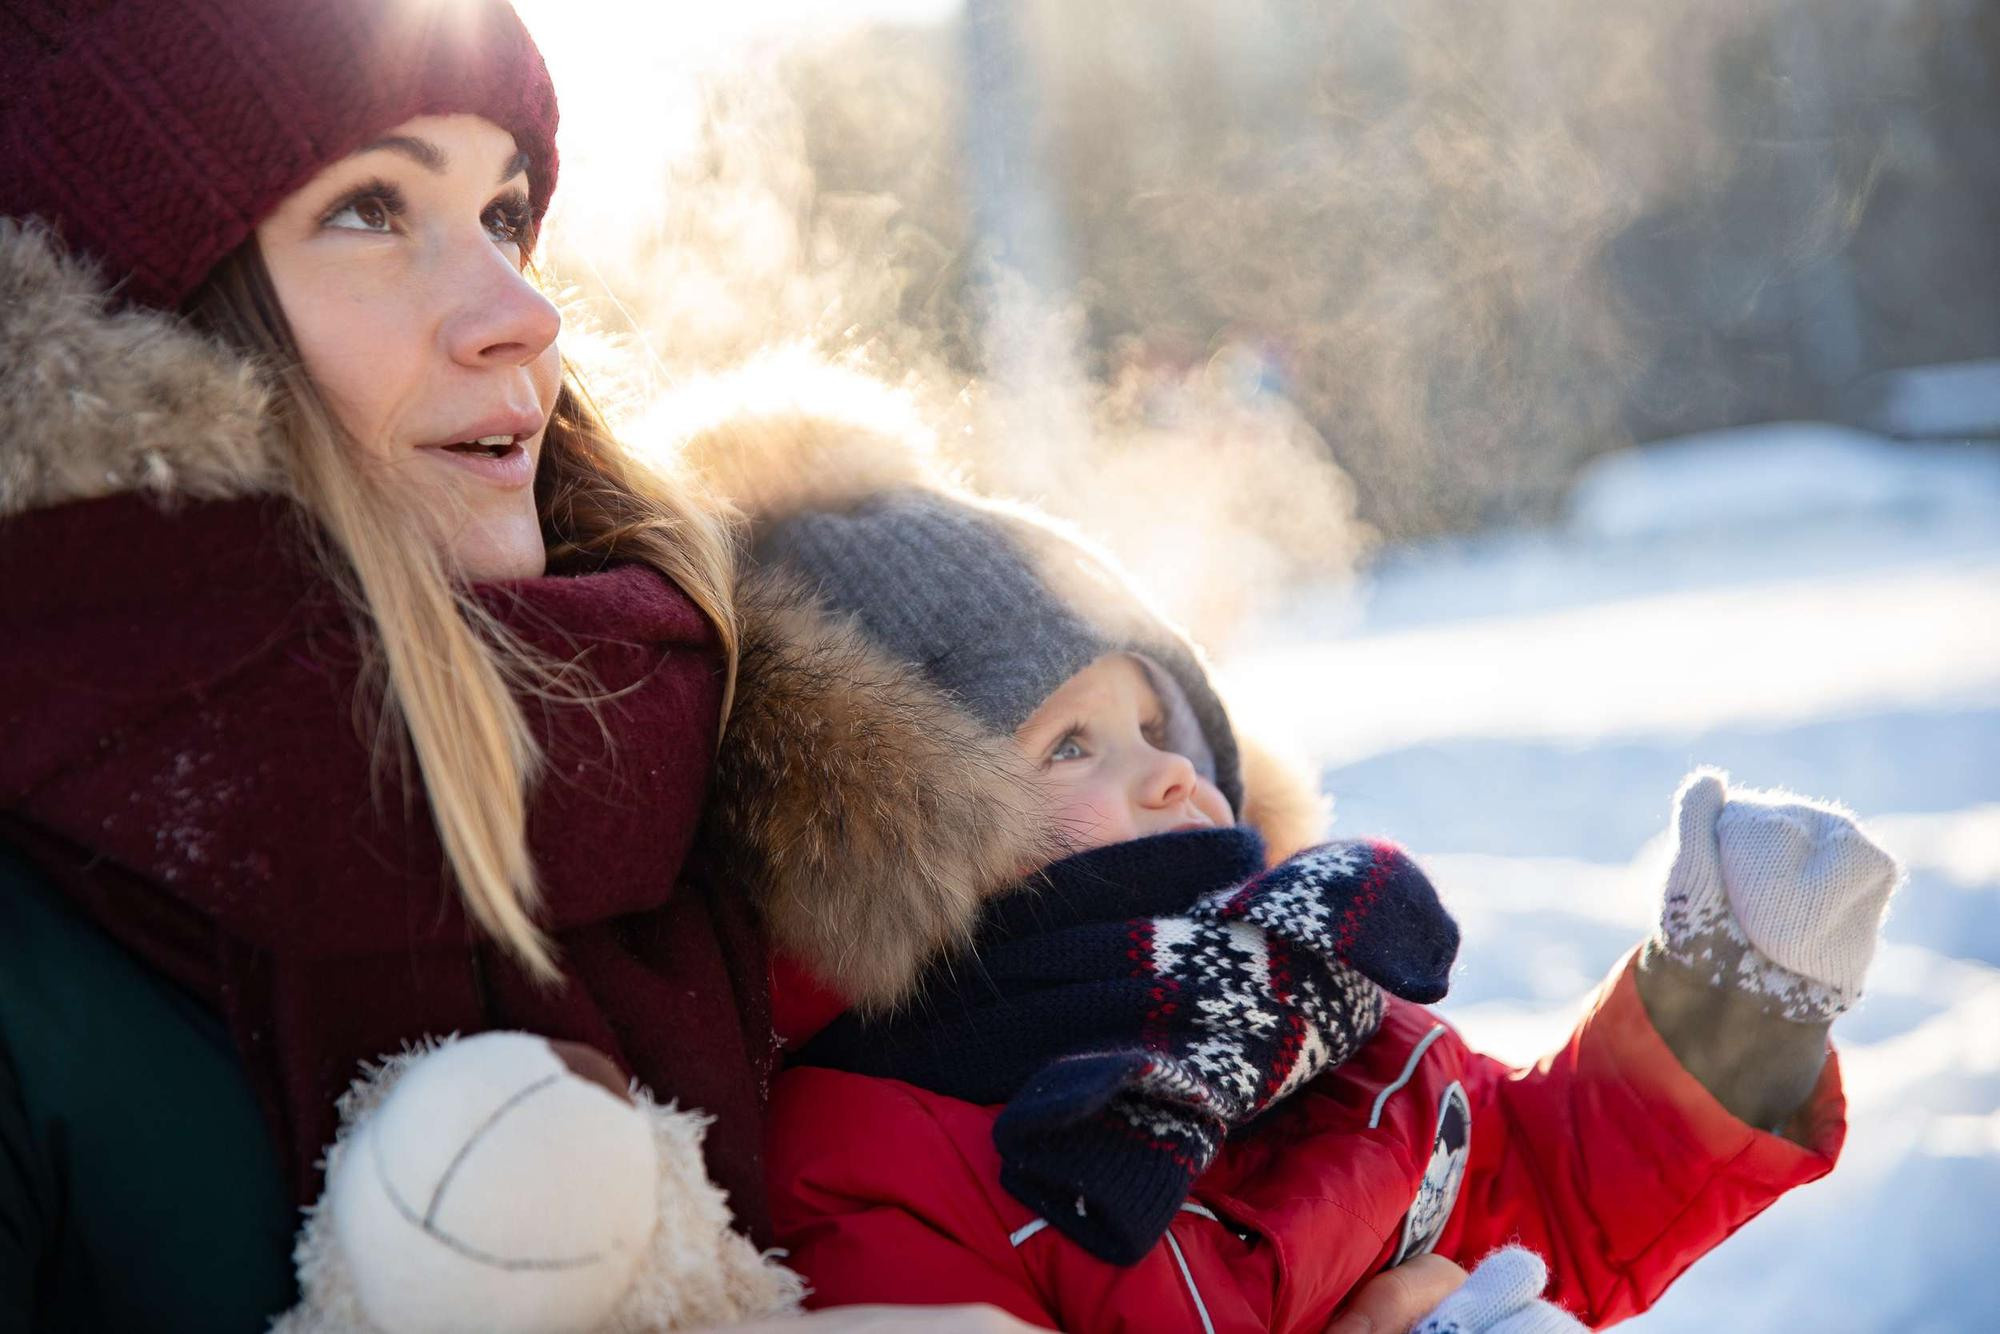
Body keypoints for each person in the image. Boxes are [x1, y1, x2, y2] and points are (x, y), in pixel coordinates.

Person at [679, 419, 1894, 1333]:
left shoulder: (1302, 988)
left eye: (1157, 724)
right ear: (900, 845)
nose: (1169, 771)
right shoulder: (881, 1143)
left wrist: (1730, 1010)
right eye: (1070, 745)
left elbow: (1542, 1177)